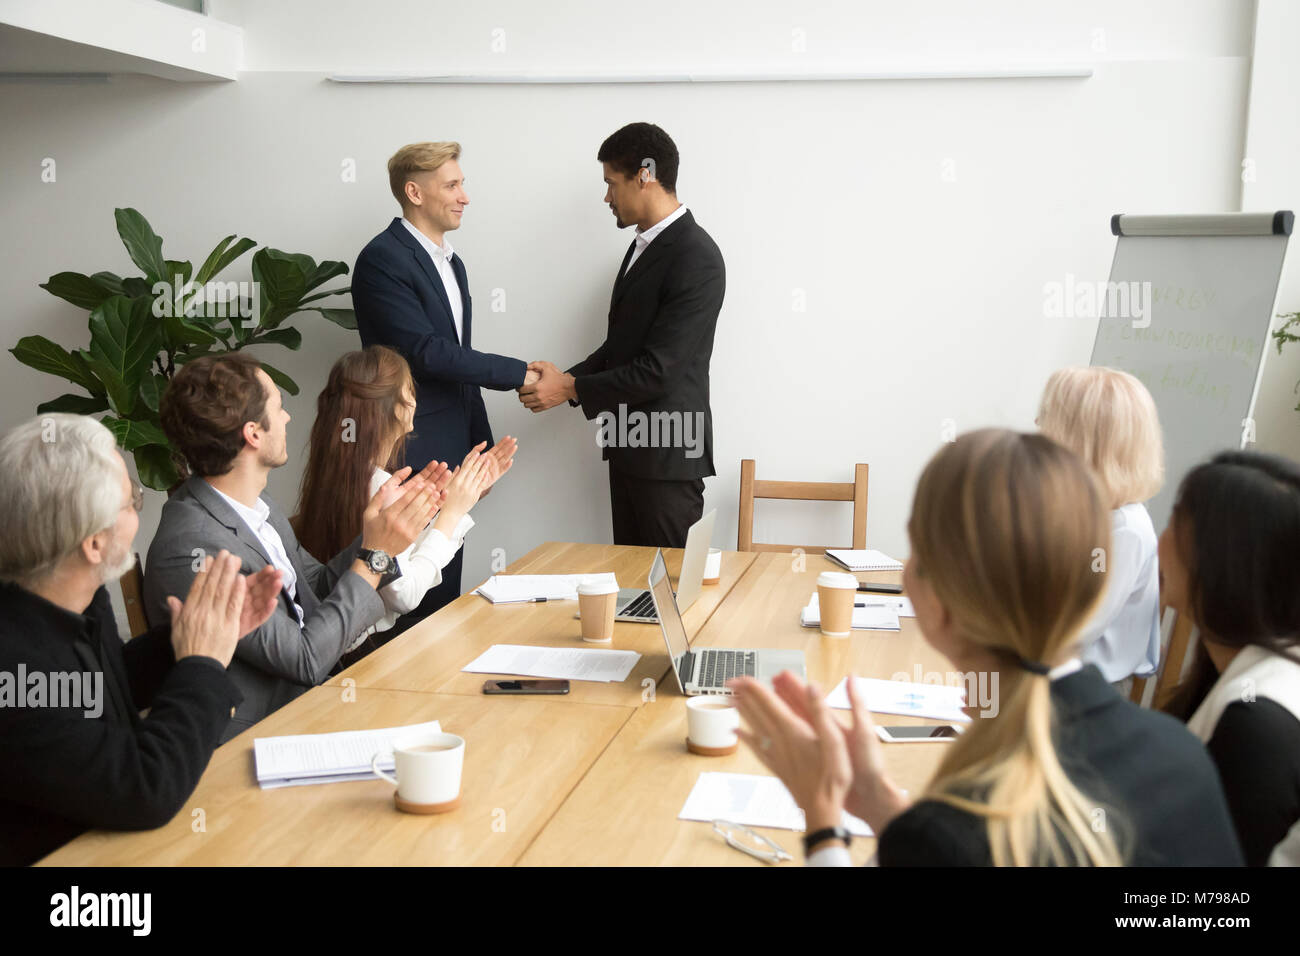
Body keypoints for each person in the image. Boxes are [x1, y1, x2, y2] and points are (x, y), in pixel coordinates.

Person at [731, 429, 1242, 866]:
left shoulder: (954, 831)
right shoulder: (1184, 757)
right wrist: (879, 804)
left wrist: (823, 822)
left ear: (941, 605)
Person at [0, 413, 283, 865]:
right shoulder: (16, 674)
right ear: (93, 544)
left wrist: (194, 632)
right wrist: (202, 663)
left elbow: (102, 690)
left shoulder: (73, 597)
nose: (138, 507)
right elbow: (145, 788)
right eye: (132, 501)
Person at [143, 353, 441, 741]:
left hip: (307, 710)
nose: (287, 418)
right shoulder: (195, 548)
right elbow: (305, 659)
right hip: (257, 740)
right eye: (279, 409)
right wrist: (374, 557)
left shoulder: (255, 508)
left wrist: (379, 531)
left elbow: (314, 585)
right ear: (253, 434)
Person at [520, 122, 725, 548]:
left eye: (612, 184)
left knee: (671, 599)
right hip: (632, 448)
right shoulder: (642, 246)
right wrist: (563, 381)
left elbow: (658, 371)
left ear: (645, 176)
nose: (607, 197)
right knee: (635, 596)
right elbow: (623, 346)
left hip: (668, 458)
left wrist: (570, 387)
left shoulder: (696, 256)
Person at [352, 141, 530, 625]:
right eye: (452, 185)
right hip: (410, 450)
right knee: (407, 600)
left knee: (444, 592)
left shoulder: (453, 263)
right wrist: (521, 374)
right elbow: (428, 353)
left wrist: (481, 446)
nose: (464, 196)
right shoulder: (382, 259)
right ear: (414, 192)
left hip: (452, 448)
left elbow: (457, 368)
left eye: (462, 184)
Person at [294, 346, 514, 661]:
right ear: (399, 409)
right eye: (410, 391)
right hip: (369, 656)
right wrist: (452, 514)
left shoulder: (334, 475)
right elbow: (404, 595)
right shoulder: (381, 488)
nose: (414, 400)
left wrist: (447, 506)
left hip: (341, 649)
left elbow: (392, 564)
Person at [1159, 450, 1300, 866]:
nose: (1160, 540)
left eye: (1173, 522)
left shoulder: (1257, 725)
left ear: (1222, 564)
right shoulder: (1250, 677)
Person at [1036, 366, 1165, 686]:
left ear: (1079, 440)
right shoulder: (1078, 506)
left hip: (1082, 688)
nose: (1037, 424)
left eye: (1047, 415)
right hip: (1041, 666)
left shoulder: (1124, 530)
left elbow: (1071, 632)